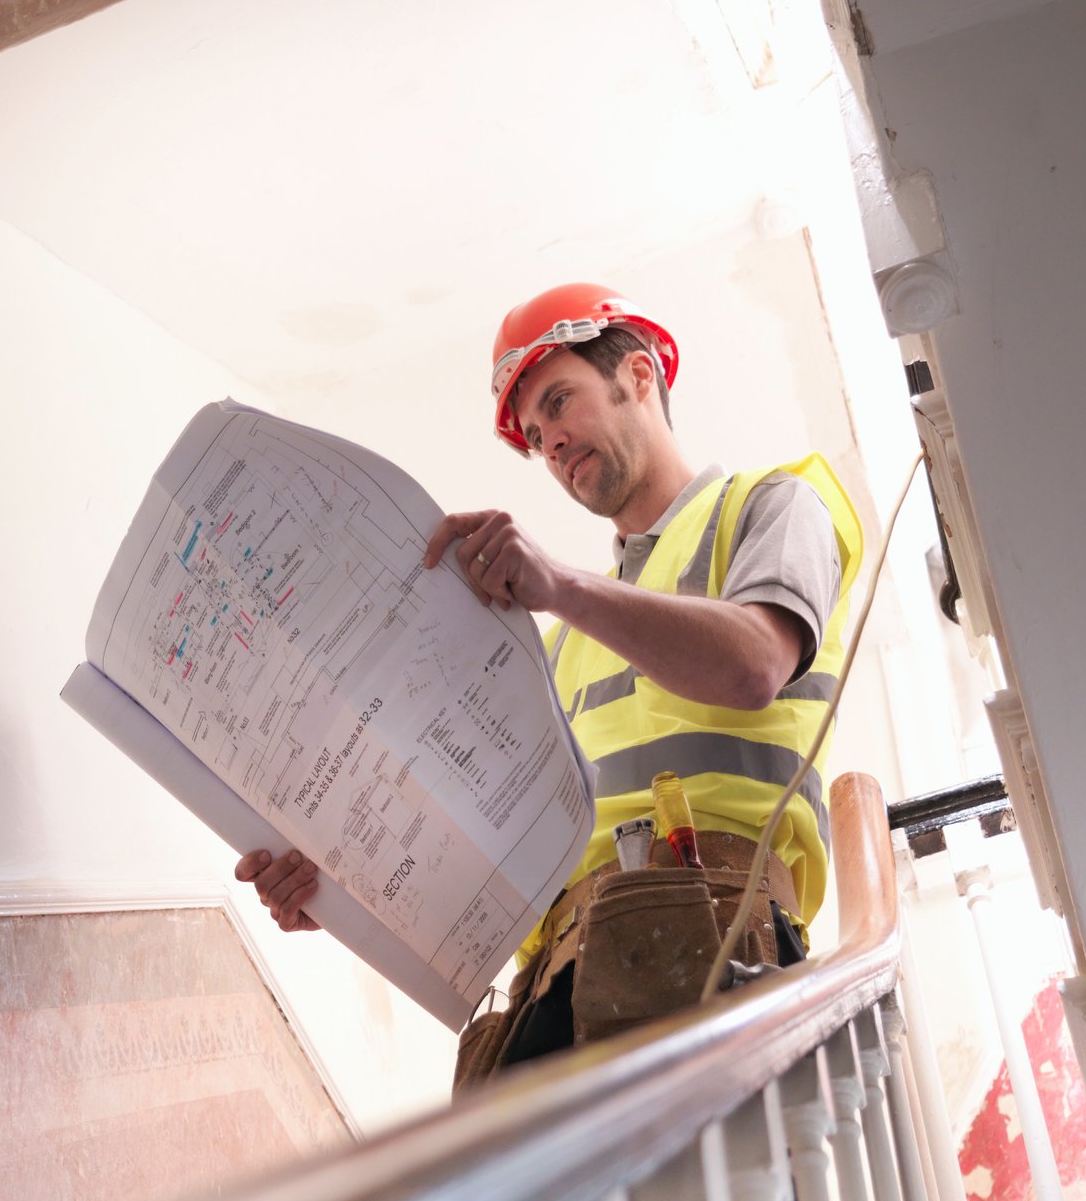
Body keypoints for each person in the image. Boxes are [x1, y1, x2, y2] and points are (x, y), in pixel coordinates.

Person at [235, 282, 862, 1065]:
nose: (551, 442)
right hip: (562, 984)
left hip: (714, 937)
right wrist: (347, 899)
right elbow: (503, 868)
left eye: (560, 402)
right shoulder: (560, 649)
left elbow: (755, 665)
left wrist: (558, 584)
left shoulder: (773, 505)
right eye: (535, 433)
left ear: (639, 375)